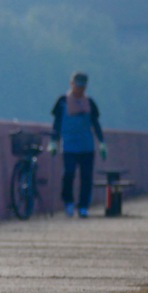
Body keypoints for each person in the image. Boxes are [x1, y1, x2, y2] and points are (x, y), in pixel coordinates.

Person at [48, 71, 107, 218]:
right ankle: (68, 201)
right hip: (69, 145)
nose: (79, 89)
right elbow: (57, 123)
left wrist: (101, 142)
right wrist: (53, 142)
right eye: (77, 85)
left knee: (86, 177)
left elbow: (95, 123)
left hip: (86, 146)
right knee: (69, 174)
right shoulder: (62, 102)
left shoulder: (90, 103)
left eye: (82, 87)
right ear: (71, 84)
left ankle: (83, 206)